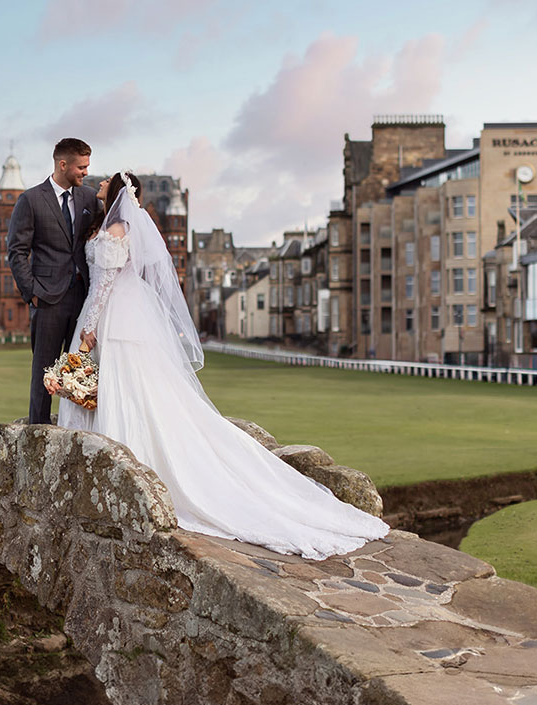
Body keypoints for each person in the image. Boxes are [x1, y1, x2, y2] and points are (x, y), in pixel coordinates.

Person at [55, 172, 389, 560]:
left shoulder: (115, 231)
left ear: (115, 193)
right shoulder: (113, 225)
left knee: (127, 387)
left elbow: (103, 285)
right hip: (125, 312)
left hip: (115, 316)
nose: (95, 188)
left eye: (102, 185)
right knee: (132, 389)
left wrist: (89, 327)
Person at [7, 138, 103, 425]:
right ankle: (38, 431)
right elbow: (16, 251)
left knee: (81, 369)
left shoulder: (88, 198)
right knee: (45, 371)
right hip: (47, 299)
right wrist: (32, 293)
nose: (86, 172)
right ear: (63, 164)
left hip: (83, 299)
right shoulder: (31, 200)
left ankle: (76, 429)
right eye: (81, 167)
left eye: (87, 166)